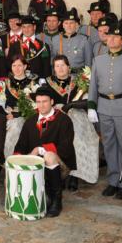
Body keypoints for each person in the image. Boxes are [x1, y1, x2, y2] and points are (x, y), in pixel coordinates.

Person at [87, 17, 122, 199]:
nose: (110, 39)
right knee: (109, 144)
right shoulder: (98, 60)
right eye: (109, 36)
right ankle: (113, 180)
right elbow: (93, 86)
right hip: (104, 107)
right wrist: (92, 106)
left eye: (115, 37)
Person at [13, 85, 76, 218]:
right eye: (38, 102)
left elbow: (65, 148)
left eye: (45, 101)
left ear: (52, 101)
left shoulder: (64, 120)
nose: (41, 105)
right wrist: (16, 163)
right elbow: (21, 145)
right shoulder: (30, 121)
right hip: (36, 165)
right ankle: (43, 190)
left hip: (60, 164)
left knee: (49, 156)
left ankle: (56, 199)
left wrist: (39, 150)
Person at [49, 54, 98, 190]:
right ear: (54, 68)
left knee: (77, 138)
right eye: (57, 66)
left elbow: (88, 101)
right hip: (56, 115)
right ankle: (59, 173)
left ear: (68, 67)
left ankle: (74, 175)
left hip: (76, 115)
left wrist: (71, 105)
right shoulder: (48, 83)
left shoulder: (79, 81)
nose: (60, 68)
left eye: (63, 65)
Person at [13, 13, 51, 80]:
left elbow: (47, 68)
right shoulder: (14, 45)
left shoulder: (44, 46)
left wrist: (44, 82)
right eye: (24, 27)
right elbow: (10, 64)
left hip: (38, 81)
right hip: (20, 80)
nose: (26, 29)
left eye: (29, 26)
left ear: (34, 27)